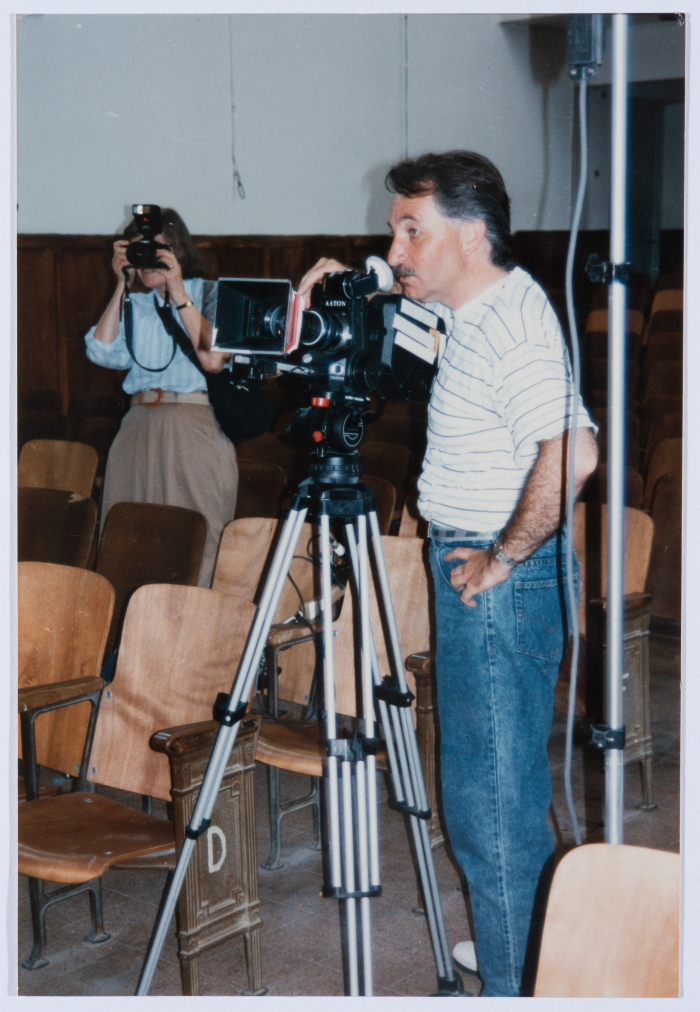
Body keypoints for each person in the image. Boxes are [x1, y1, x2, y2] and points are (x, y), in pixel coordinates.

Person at [299, 151, 598, 997]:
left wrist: (505, 556)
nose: (395, 248)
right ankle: (520, 955)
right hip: (480, 562)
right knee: (489, 794)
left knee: (490, 806)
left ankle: (514, 987)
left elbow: (575, 453)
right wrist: (342, 288)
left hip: (499, 578)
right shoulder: (466, 307)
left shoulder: (508, 323)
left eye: (411, 230)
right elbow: (393, 311)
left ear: (470, 235)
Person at [85, 207, 237, 587]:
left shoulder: (210, 293)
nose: (147, 261)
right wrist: (121, 284)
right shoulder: (135, 305)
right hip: (137, 426)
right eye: (139, 252)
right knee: (128, 539)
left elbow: (215, 357)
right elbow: (101, 352)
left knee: (196, 538)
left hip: (192, 425)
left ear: (179, 250)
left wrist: (178, 290)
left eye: (156, 250)